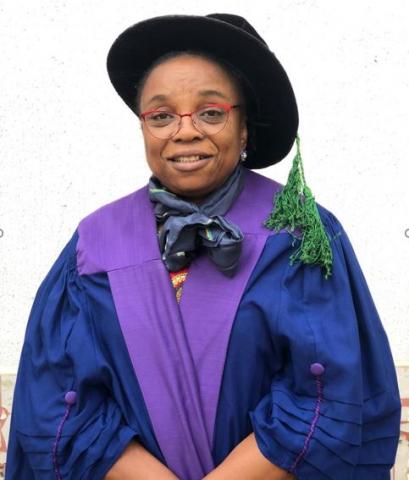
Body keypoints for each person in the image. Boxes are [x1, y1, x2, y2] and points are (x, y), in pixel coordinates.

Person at [5, 13, 401, 480]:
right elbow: (59, 403)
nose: (185, 131)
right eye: (161, 115)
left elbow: (328, 398)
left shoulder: (300, 234)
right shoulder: (95, 245)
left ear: (244, 127)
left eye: (211, 112)